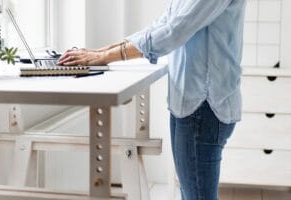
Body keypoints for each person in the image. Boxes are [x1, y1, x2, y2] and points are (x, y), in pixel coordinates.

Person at [58, 0, 245, 199]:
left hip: (204, 105)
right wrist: (100, 52)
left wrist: (105, 56)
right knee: (191, 193)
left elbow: (174, 32)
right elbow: (163, 24)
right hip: (191, 103)